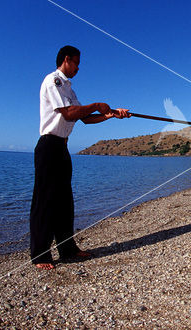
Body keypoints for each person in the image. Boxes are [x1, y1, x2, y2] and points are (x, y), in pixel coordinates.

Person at [30, 45, 131, 270]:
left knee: (65, 201)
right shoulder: (53, 81)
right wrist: (96, 105)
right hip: (48, 146)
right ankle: (40, 255)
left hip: (62, 148)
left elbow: (84, 118)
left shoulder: (69, 89)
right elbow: (68, 113)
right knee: (44, 201)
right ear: (67, 59)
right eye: (76, 63)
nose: (78, 68)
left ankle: (67, 249)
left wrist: (113, 115)